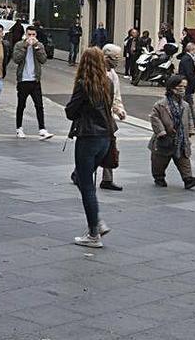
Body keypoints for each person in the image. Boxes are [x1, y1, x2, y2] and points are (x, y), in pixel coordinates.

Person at [65, 47, 115, 248]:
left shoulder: (83, 84)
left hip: (88, 137)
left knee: (86, 184)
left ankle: (94, 232)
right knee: (80, 177)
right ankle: (97, 222)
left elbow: (70, 111)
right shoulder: (108, 83)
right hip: (105, 137)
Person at [149, 75, 195, 190]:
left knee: (184, 159)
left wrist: (190, 130)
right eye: (179, 86)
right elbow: (154, 118)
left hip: (181, 138)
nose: (182, 89)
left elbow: (189, 119)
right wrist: (161, 131)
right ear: (172, 88)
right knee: (159, 161)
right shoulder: (161, 105)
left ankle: (188, 179)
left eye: (184, 86)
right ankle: (159, 177)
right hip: (164, 139)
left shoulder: (185, 105)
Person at [13, 26, 54, 140]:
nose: (31, 37)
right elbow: (16, 59)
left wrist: (36, 47)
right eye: (29, 34)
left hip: (35, 80)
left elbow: (43, 60)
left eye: (33, 35)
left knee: (39, 105)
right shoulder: (19, 45)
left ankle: (42, 129)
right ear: (25, 35)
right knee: (21, 105)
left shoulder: (39, 45)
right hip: (23, 80)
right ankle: (19, 128)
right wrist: (25, 47)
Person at [100, 44, 126, 191]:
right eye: (115, 58)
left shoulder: (114, 75)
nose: (117, 61)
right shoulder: (97, 73)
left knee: (110, 147)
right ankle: (78, 173)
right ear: (105, 57)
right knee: (95, 147)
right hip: (97, 117)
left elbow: (116, 96)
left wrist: (119, 110)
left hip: (108, 117)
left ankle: (107, 179)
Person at [177, 42, 195, 111]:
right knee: (188, 103)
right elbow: (189, 73)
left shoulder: (186, 58)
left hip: (185, 83)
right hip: (187, 84)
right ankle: (190, 118)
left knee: (187, 103)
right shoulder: (188, 59)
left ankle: (190, 117)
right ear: (191, 50)